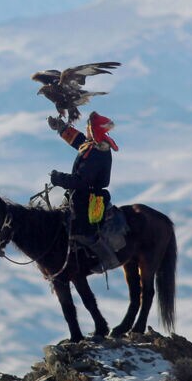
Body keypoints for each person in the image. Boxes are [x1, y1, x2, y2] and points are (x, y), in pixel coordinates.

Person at [47, 111, 122, 271]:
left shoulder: (97, 153)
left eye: (89, 128)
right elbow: (78, 140)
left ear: (94, 131)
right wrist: (61, 128)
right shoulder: (93, 145)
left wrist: (58, 178)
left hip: (89, 198)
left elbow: (81, 181)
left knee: (83, 230)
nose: (86, 131)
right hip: (81, 194)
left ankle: (107, 259)